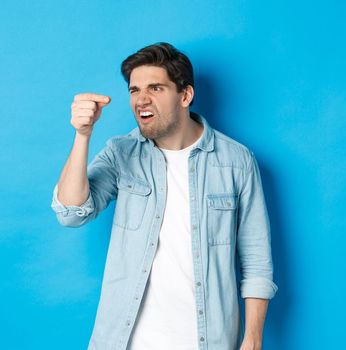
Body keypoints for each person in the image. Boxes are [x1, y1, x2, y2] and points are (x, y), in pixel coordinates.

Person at [50, 42, 277, 350]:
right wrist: (82, 135)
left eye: (155, 88)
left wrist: (252, 339)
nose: (141, 99)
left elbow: (256, 260)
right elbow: (70, 212)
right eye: (134, 90)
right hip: (125, 340)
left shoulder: (237, 161)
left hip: (207, 340)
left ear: (185, 95)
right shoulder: (121, 153)